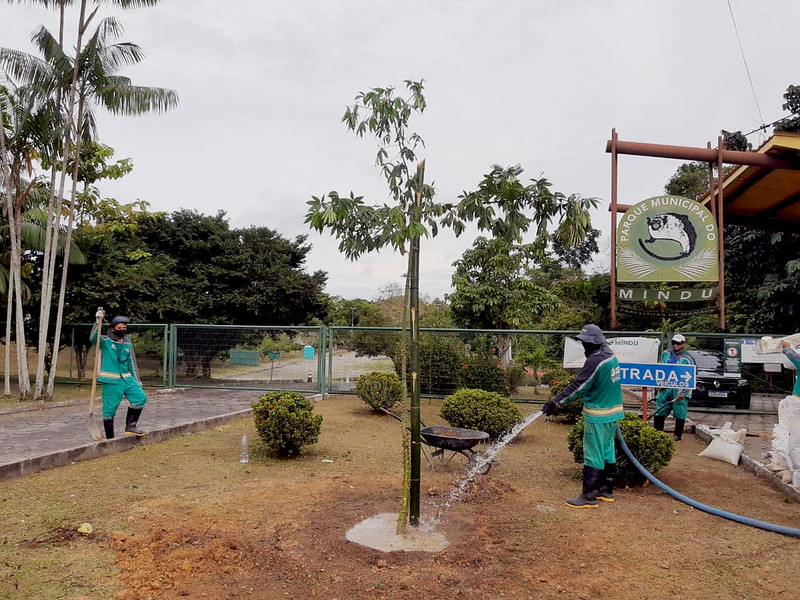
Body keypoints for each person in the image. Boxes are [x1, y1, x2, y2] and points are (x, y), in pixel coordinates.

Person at [542, 324, 623, 509]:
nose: (584, 345)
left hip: (598, 415)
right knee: (607, 451)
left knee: (593, 454)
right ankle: (606, 491)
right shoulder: (610, 356)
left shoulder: (596, 361)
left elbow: (579, 386)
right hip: (613, 413)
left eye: (586, 342)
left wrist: (555, 401)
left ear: (595, 343)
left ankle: (588, 496)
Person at [90, 309, 147, 439]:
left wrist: (137, 379)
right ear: (113, 329)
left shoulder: (127, 342)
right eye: (120, 327)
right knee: (109, 410)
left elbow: (131, 361)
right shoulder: (105, 341)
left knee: (140, 397)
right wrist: (97, 321)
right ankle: (110, 438)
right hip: (111, 380)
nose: (123, 329)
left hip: (127, 378)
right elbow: (93, 338)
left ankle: (131, 426)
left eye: (124, 327)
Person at [653, 333, 693, 441]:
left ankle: (677, 435)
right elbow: (661, 369)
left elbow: (692, 376)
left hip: (680, 388)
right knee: (660, 407)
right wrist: (660, 384)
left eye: (678, 343)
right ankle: (657, 432)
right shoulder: (666, 354)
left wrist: (683, 392)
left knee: (680, 411)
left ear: (683, 344)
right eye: (674, 343)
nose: (675, 345)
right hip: (665, 387)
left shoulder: (688, 359)